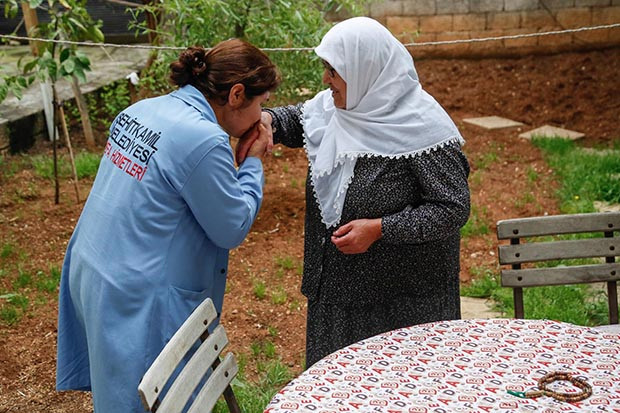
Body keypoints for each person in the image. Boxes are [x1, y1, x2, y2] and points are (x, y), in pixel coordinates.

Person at [56, 39, 280, 412]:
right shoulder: (203, 139)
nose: (260, 117)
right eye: (261, 104)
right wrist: (253, 162)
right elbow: (232, 225)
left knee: (118, 395)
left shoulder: (143, 110)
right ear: (237, 95)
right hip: (137, 293)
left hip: (94, 269)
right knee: (150, 400)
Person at [238, 17, 470, 368]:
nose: (325, 79)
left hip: (404, 302)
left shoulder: (424, 129)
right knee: (336, 382)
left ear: (366, 70)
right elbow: (299, 119)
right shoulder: (337, 110)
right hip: (338, 293)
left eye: (334, 70)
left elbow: (452, 208)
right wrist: (268, 120)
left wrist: (380, 229)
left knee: (397, 385)